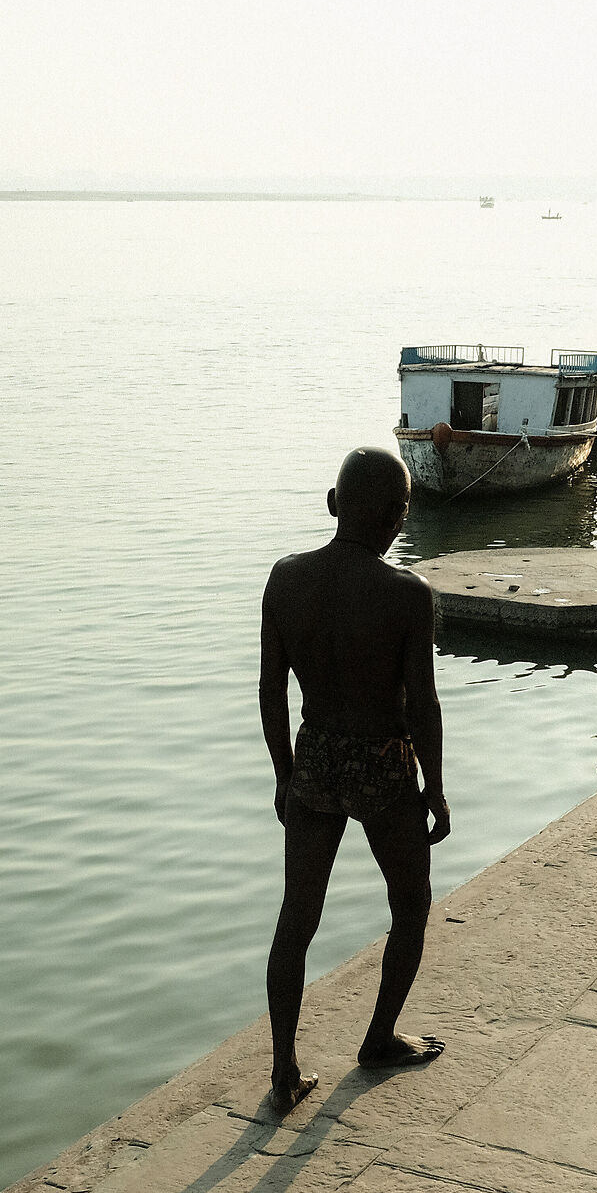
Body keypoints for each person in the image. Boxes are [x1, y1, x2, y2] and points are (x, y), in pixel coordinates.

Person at [259, 448, 450, 1114]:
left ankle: (284, 1070)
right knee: (410, 904)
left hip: (314, 758)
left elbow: (271, 689)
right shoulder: (407, 595)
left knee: (297, 917)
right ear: (399, 517)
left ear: (333, 503)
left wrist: (284, 774)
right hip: (383, 763)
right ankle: (378, 1039)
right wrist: (435, 787)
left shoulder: (286, 578)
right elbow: (422, 703)